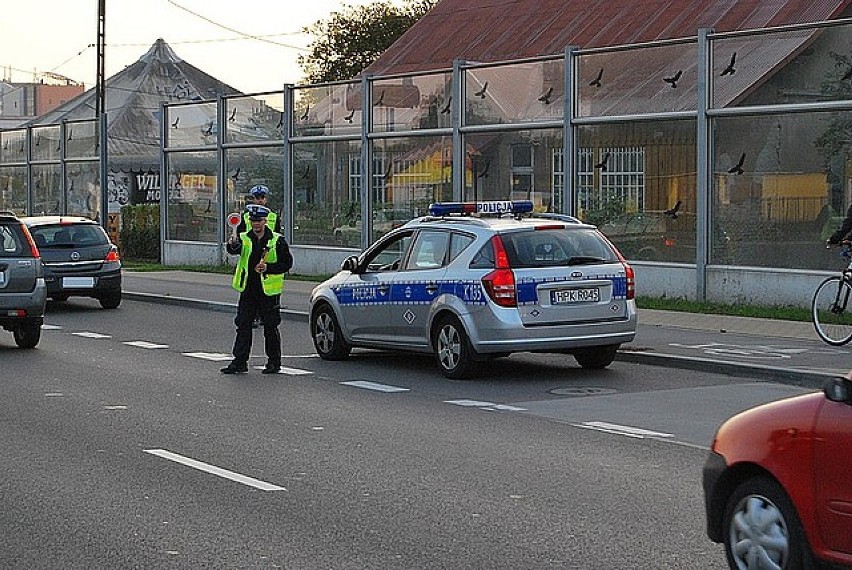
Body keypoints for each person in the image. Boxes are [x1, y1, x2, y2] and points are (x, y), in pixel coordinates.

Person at [221, 204, 293, 375]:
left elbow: (287, 264)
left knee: (270, 326)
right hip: (248, 289)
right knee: (243, 324)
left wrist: (268, 267)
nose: (256, 224)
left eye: (259, 221)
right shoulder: (244, 237)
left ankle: (274, 362)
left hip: (268, 291)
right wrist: (231, 244)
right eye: (253, 221)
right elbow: (234, 249)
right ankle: (239, 362)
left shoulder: (277, 240)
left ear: (265, 221)